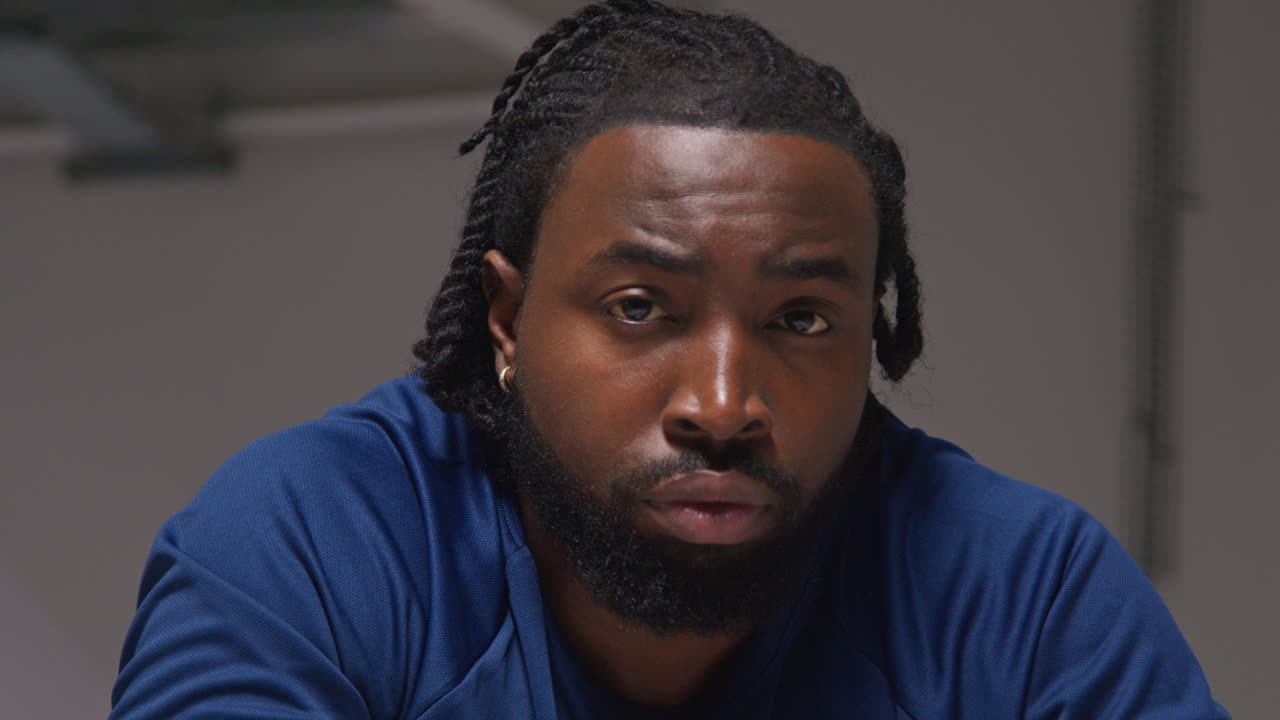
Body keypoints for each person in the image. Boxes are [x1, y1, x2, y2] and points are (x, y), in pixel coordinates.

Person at [108, 1, 1229, 718]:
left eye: (800, 319)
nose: (724, 405)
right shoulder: (313, 543)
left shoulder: (1021, 595)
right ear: (506, 321)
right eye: (641, 307)